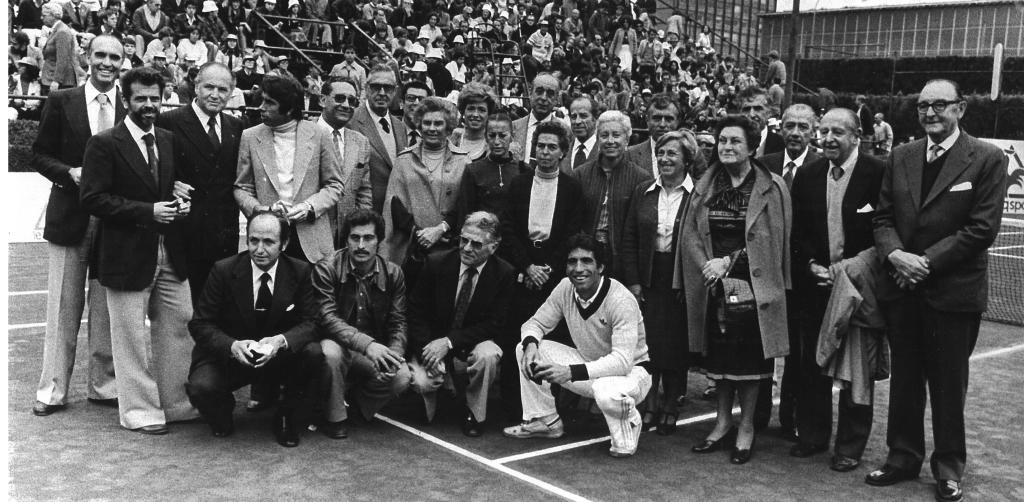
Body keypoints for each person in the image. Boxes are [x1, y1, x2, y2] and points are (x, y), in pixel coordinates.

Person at [867, 79, 1008, 502]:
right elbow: (883, 218)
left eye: (940, 106)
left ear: (960, 109)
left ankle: (948, 467)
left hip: (953, 294)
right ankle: (902, 457)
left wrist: (923, 261)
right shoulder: (902, 156)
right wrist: (895, 256)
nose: (930, 113)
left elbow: (981, 228)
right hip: (903, 290)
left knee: (949, 386)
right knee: (905, 381)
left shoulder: (987, 157)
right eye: (923, 106)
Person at [80, 66, 199, 434]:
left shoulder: (165, 138)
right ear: (126, 98)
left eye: (154, 98)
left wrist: (178, 199)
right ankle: (140, 411)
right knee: (130, 336)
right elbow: (93, 198)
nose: (149, 105)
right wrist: (147, 212)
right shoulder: (103, 143)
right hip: (126, 254)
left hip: (169, 253)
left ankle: (176, 403)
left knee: (180, 323)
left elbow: (159, 188)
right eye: (140, 99)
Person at [679, 114, 791, 464]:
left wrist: (730, 261)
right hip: (714, 287)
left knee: (751, 366)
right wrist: (708, 266)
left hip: (756, 288)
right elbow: (691, 234)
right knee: (720, 361)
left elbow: (775, 241)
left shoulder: (772, 186)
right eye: (723, 141)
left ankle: (746, 428)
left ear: (752, 146)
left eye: (735, 142)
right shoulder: (705, 184)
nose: (727, 147)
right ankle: (722, 423)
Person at [30, 34, 126, 417]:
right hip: (71, 217)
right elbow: (38, 154)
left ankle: (103, 386)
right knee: (63, 308)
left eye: (114, 57)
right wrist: (68, 171)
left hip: (115, 221)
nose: (106, 63)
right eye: (100, 55)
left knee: (106, 308)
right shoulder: (61, 100)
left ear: (123, 62)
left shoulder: (131, 104)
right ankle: (52, 389)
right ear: (87, 58)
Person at [789, 108, 886, 470]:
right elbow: (798, 232)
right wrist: (811, 265)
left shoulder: (878, 173)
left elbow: (885, 229)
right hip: (816, 287)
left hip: (860, 289)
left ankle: (850, 446)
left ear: (856, 136)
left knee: (856, 371)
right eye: (824, 131)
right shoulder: (809, 174)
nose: (828, 138)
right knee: (813, 364)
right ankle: (813, 436)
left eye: (838, 132)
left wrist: (846, 270)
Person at [504, 233, 652, 458]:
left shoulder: (621, 300)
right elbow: (535, 323)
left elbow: (622, 362)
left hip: (632, 375)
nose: (578, 268)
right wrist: (532, 345)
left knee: (607, 395)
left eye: (587, 261)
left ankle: (630, 420)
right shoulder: (565, 288)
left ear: (601, 267)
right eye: (572, 262)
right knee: (524, 349)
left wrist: (569, 372)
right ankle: (546, 421)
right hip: (590, 368)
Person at [186, 212, 325, 447]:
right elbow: (200, 323)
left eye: (269, 242)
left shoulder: (299, 271)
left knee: (313, 353)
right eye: (253, 241)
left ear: (284, 244)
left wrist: (281, 341)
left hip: (278, 358)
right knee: (201, 387)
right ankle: (223, 408)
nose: (259, 249)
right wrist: (231, 345)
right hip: (232, 357)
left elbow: (313, 322)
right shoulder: (223, 270)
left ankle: (285, 414)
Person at [407, 211, 516, 437]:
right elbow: (416, 312)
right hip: (434, 339)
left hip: (472, 342)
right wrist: (426, 351)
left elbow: (495, 324)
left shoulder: (504, 274)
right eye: (463, 240)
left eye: (476, 244)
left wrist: (448, 343)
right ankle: (440, 387)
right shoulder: (436, 263)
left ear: (493, 247)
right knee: (422, 382)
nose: (466, 248)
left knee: (488, 356)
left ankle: (475, 414)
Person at [622, 130, 700, 435]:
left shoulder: (698, 194)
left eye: (672, 154)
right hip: (649, 276)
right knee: (650, 343)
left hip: (681, 278)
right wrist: (634, 282)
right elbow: (629, 237)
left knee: (677, 344)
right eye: (662, 153)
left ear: (687, 160)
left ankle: (672, 402)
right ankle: (651, 401)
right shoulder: (644, 191)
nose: (665, 159)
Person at [312, 209, 411, 439]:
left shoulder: (394, 273)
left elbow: (398, 321)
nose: (361, 245)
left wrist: (394, 355)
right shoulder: (326, 268)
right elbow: (327, 319)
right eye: (354, 238)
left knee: (402, 376)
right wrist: (367, 345)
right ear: (346, 240)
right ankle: (334, 418)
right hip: (338, 343)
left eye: (368, 238)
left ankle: (356, 406)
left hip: (370, 350)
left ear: (379, 241)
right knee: (330, 353)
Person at [157, 62, 244, 305]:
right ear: (196, 87)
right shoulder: (167, 121)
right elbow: (149, 169)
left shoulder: (237, 126)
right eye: (209, 87)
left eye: (223, 90)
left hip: (224, 236)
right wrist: (170, 183)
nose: (215, 95)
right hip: (184, 235)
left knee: (218, 310)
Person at [234, 73, 344, 264]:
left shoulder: (319, 134)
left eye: (269, 103)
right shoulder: (250, 136)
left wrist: (309, 207)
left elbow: (334, 185)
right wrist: (263, 210)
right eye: (262, 101)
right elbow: (241, 188)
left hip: (312, 242)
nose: (261, 107)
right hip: (267, 239)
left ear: (290, 108)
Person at [381, 96, 469, 267]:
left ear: (449, 127)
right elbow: (392, 205)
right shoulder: (404, 160)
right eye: (427, 123)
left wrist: (440, 230)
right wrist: (419, 234)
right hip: (410, 250)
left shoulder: (464, 162)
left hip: (450, 248)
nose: (432, 128)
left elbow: (465, 206)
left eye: (438, 124)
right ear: (419, 125)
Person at [573, 110, 651, 281]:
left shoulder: (641, 178)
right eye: (604, 135)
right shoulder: (580, 174)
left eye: (616, 135)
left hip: (623, 262)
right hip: (587, 258)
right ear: (598, 139)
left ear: (627, 139)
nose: (610, 141)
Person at [316, 77, 373, 244]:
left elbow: (364, 192)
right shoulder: (305, 135)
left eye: (352, 101)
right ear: (322, 100)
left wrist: (360, 229)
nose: (346, 105)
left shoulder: (361, 142)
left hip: (347, 238)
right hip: (311, 234)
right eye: (339, 98)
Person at [451, 112, 530, 229]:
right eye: (492, 135)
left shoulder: (523, 170)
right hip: (483, 238)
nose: (497, 142)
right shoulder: (474, 170)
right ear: (486, 137)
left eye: (502, 136)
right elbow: (465, 212)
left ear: (512, 136)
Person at [348, 65, 409, 213]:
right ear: (366, 88)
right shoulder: (351, 121)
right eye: (376, 87)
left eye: (387, 88)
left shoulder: (400, 126)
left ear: (395, 91)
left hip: (395, 213)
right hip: (365, 214)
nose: (382, 93)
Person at [511, 73, 569, 164]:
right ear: (530, 93)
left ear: (557, 99)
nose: (543, 98)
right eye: (539, 91)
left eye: (550, 94)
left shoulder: (565, 131)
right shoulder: (513, 128)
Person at [759, 103, 821, 188]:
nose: (795, 133)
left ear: (813, 132)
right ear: (781, 129)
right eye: (789, 126)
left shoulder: (822, 168)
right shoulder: (763, 165)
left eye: (803, 127)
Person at [626, 93, 682, 177]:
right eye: (657, 118)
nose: (662, 124)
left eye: (669, 119)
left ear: (678, 121)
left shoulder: (691, 154)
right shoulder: (630, 154)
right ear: (647, 120)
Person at [448, 82, 496, 161]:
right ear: (463, 111)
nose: (475, 114)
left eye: (481, 110)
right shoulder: (451, 139)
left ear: (489, 114)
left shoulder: (494, 144)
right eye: (471, 108)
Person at [40, 2, 80, 93]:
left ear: (53, 15)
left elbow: (63, 58)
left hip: (61, 82)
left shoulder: (62, 32)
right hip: (52, 78)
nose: (41, 18)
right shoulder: (57, 29)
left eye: (44, 15)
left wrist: (57, 80)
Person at [737, 86, 784, 158]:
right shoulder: (727, 143)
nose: (751, 114)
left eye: (757, 108)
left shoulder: (782, 145)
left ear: (769, 112)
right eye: (746, 109)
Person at [562, 96, 601, 172]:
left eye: (583, 116)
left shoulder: (603, 150)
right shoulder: (563, 150)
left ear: (595, 118)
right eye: (573, 117)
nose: (577, 121)